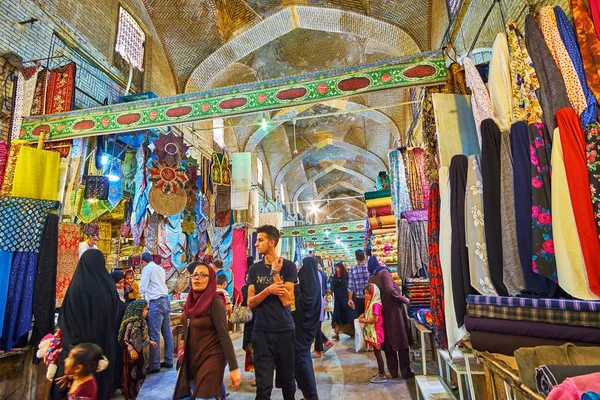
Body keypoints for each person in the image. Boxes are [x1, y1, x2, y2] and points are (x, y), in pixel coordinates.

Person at [50, 249, 118, 400]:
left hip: (78, 353)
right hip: (103, 350)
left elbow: (67, 322)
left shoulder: (78, 287)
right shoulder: (110, 287)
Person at [173, 262, 241, 399]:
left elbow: (224, 335)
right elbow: (186, 331)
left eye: (203, 275)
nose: (197, 278)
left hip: (212, 357)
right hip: (192, 359)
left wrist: (234, 367)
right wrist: (181, 360)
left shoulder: (215, 302)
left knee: (203, 397)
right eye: (195, 275)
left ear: (211, 279)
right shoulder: (190, 302)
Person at [247, 225, 297, 400]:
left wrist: (276, 274)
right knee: (263, 385)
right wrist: (268, 291)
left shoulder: (288, 267)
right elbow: (250, 302)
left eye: (260, 240)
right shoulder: (254, 269)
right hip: (261, 331)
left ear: (272, 242)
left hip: (284, 330)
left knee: (288, 381)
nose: (256, 244)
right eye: (256, 240)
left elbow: (286, 301)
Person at [368, 256, 415, 380]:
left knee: (388, 343)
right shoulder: (384, 272)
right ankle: (406, 372)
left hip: (382, 313)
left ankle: (393, 372)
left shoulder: (371, 278)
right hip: (394, 311)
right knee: (401, 340)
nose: (383, 260)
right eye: (379, 260)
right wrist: (404, 299)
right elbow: (391, 290)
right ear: (375, 263)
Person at [139, 253, 174, 374]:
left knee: (154, 334)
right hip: (165, 300)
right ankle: (169, 360)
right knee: (167, 332)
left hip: (156, 302)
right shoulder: (160, 268)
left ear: (143, 262)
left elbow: (142, 287)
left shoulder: (147, 269)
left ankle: (154, 365)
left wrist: (141, 292)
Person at [293, 257, 321, 400]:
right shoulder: (313, 282)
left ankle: (311, 395)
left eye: (303, 265)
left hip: (304, 328)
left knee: (301, 360)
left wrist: (296, 289)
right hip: (307, 328)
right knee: (303, 359)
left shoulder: (310, 285)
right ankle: (309, 394)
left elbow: (304, 305)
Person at [118, 299, 157, 400]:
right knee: (130, 377)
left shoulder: (143, 323)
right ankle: (129, 396)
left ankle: (137, 394)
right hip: (131, 355)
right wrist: (131, 349)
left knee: (141, 373)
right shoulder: (130, 324)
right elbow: (124, 339)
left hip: (139, 353)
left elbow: (144, 337)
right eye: (145, 309)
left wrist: (149, 341)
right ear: (139, 310)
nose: (147, 311)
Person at [358, 283, 386, 383]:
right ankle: (380, 372)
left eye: (367, 293)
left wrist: (363, 321)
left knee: (378, 354)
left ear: (373, 293)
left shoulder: (375, 305)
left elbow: (374, 320)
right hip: (374, 332)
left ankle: (382, 374)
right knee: (376, 353)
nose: (365, 295)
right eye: (365, 293)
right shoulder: (371, 303)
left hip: (376, 332)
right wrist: (363, 315)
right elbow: (368, 314)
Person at [109, 270, 127, 396]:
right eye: (119, 283)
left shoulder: (121, 294)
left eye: (122, 282)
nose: (121, 285)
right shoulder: (111, 296)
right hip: (114, 332)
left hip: (120, 331)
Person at [241, 270, 256, 387]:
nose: (247, 278)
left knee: (253, 348)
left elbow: (245, 302)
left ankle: (258, 377)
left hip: (252, 324)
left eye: (248, 276)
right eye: (246, 276)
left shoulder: (246, 288)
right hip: (253, 323)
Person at [330, 262, 353, 340]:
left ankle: (351, 332)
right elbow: (333, 283)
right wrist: (337, 280)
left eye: (338, 267)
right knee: (337, 315)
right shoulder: (335, 276)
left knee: (346, 314)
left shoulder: (346, 275)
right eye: (336, 268)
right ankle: (336, 333)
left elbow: (346, 284)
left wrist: (338, 281)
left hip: (345, 298)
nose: (337, 269)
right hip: (338, 300)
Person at [348, 250, 369, 318]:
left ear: (356, 258)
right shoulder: (369, 268)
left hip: (359, 299)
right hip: (370, 297)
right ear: (364, 257)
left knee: (361, 318)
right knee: (370, 317)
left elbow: (350, 286)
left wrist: (350, 299)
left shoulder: (352, 270)